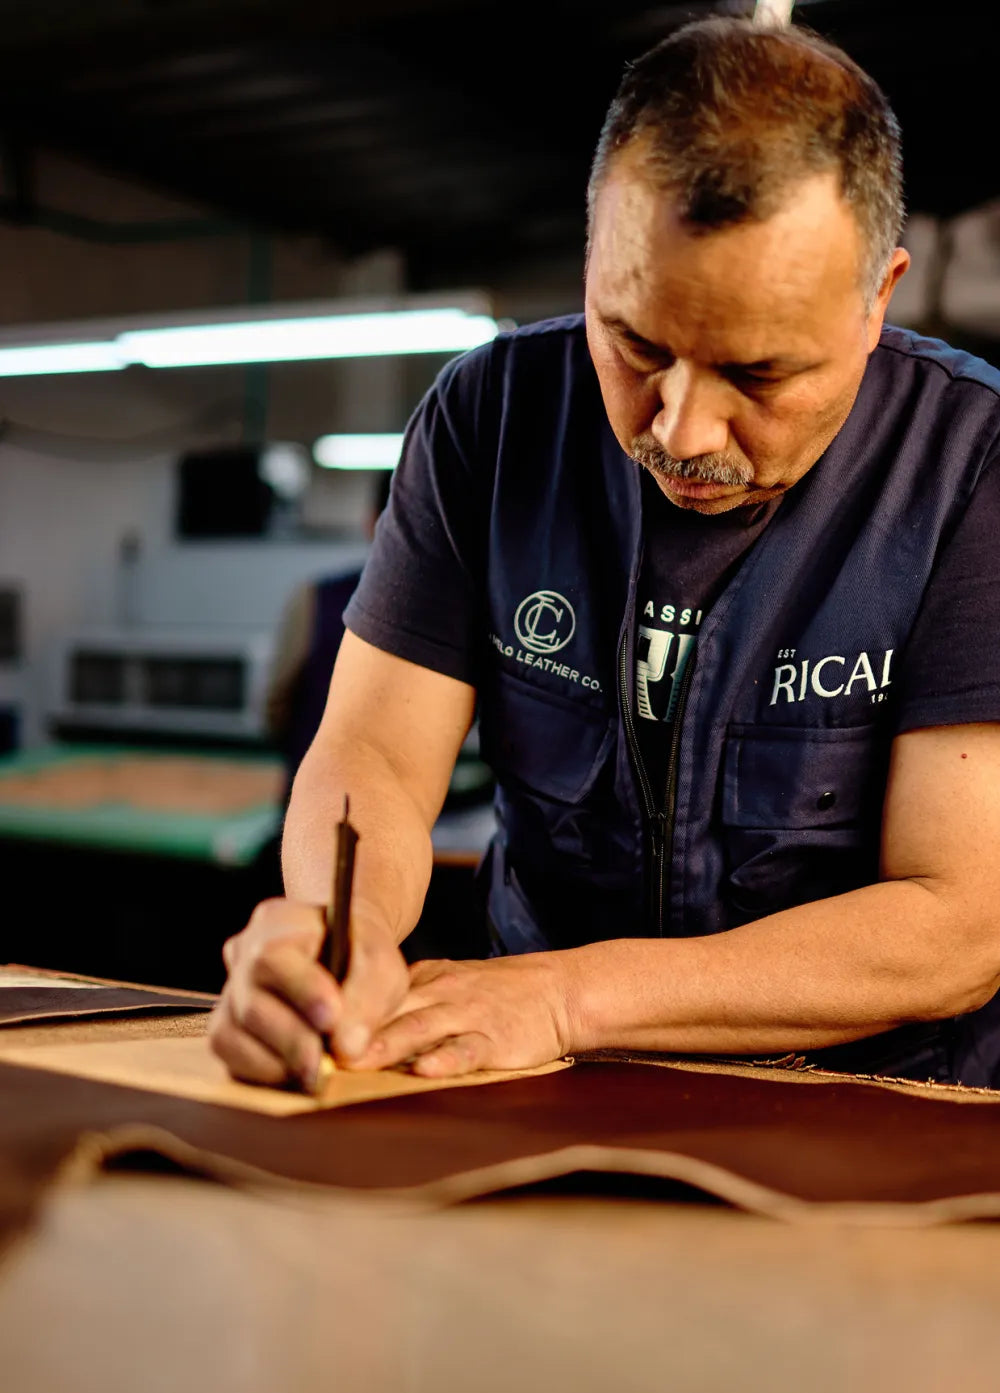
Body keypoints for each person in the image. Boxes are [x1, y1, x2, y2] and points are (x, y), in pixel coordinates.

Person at [210, 16, 1000, 1094]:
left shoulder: (971, 466)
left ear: (878, 299)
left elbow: (958, 921)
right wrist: (329, 938)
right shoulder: (490, 418)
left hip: (868, 1107)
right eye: (635, 344)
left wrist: (564, 996)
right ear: (593, 258)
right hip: (533, 1083)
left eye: (759, 375)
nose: (681, 430)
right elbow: (377, 757)